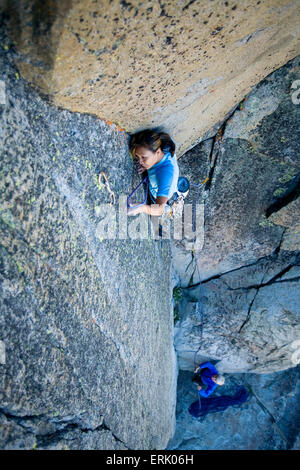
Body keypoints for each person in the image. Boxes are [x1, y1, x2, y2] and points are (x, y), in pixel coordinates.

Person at [127, 129, 179, 217]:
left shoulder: (166, 173)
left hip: (160, 192)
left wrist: (141, 208)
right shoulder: (164, 146)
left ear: (158, 152)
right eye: (137, 157)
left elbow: (159, 210)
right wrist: (146, 166)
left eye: (143, 157)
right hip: (163, 181)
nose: (140, 162)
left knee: (158, 207)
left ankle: (170, 205)